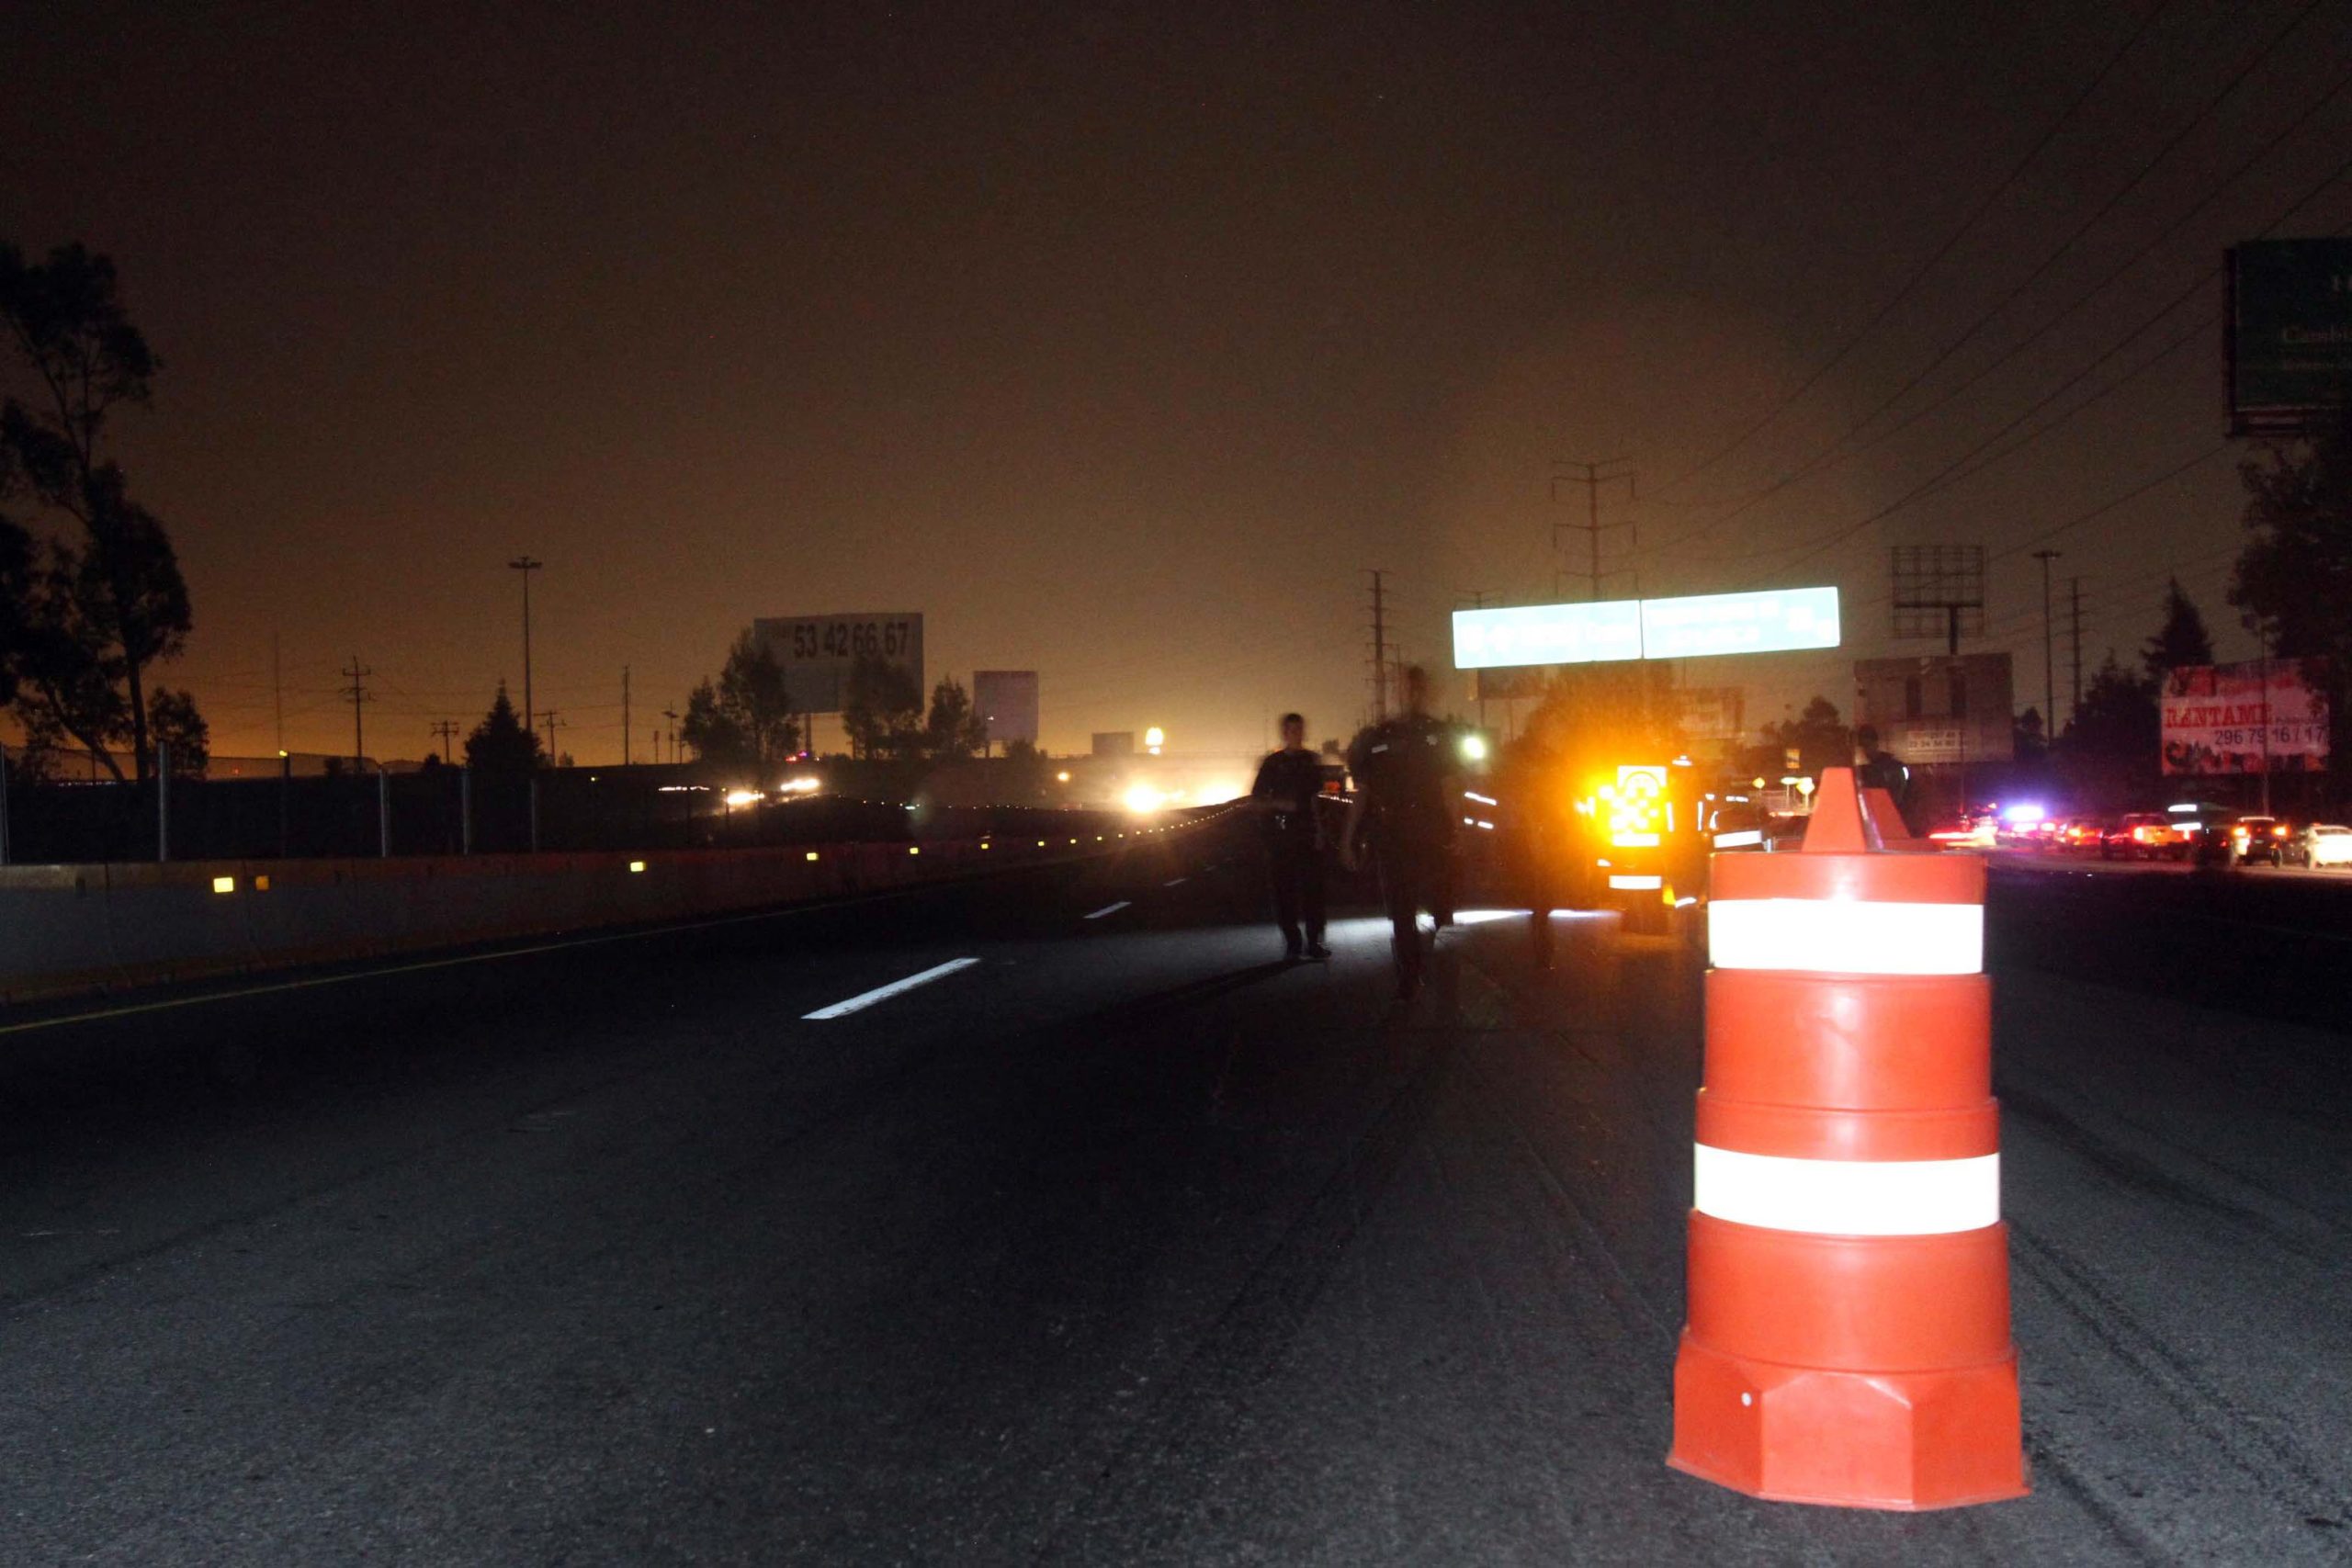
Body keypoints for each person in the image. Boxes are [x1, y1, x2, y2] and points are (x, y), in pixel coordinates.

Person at [1341, 666, 1459, 1000]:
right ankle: (1410, 972)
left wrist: (1459, 826)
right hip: (1393, 832)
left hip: (1432, 829)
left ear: (1424, 693)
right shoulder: (1378, 738)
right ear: (1394, 693)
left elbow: (1450, 784)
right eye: (1402, 689)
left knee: (1439, 898)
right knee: (1401, 906)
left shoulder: (1438, 734)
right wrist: (1348, 839)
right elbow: (1362, 791)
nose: (1409, 694)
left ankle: (1434, 935)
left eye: (1416, 689)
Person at [1250, 712, 1329, 961]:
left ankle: (1314, 941)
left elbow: (1317, 798)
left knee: (1313, 891)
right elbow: (1257, 799)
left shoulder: (1311, 762)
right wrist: (1281, 804)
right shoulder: (1273, 764)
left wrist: (1319, 831)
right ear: (1284, 733)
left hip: (1306, 833)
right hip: (1280, 836)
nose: (1296, 734)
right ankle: (1293, 942)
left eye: (1299, 729)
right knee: (1284, 892)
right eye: (1291, 730)